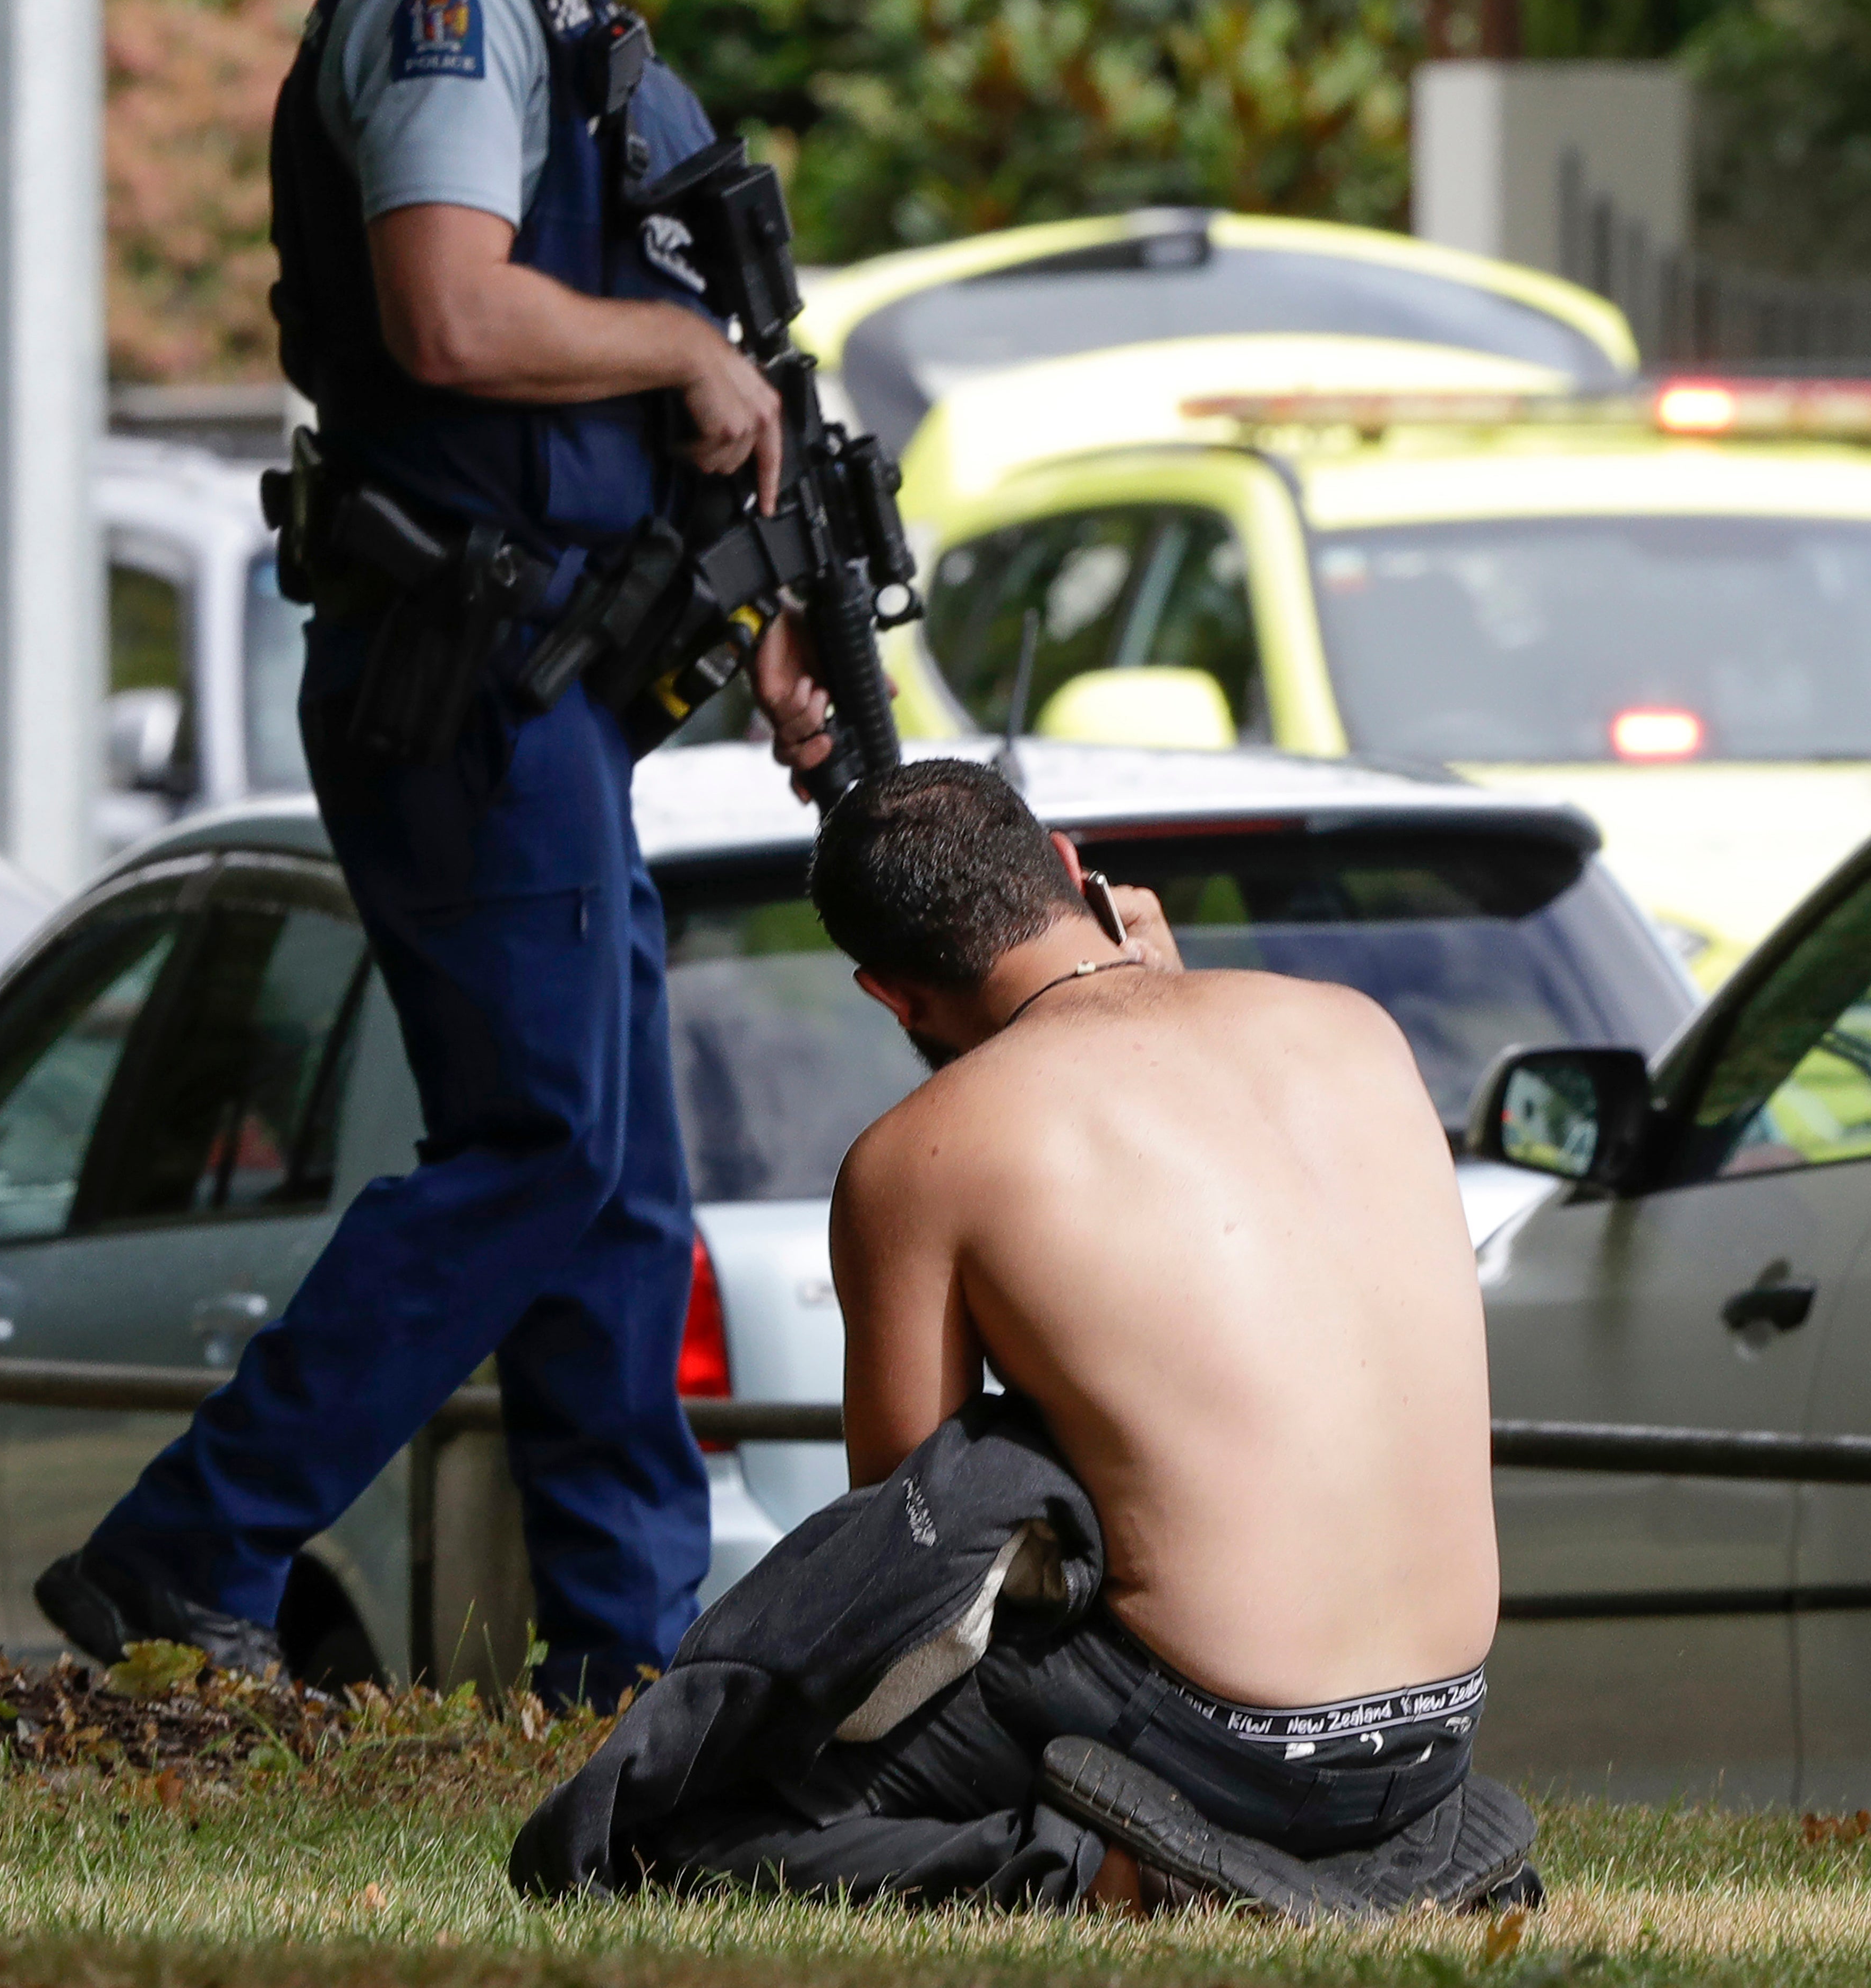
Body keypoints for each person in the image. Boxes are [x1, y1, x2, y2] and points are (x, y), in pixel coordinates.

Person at [35, 0, 836, 1710]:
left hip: (543, 681)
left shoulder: (576, 27)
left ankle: (627, 1662)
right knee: (539, 1151)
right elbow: (451, 323)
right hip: (455, 679)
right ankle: (184, 1559)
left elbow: (618, 397)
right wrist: (677, 348)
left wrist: (759, 608)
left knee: (617, 1184)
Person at [515, 760, 1524, 1915]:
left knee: (664, 1838)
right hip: (1438, 1738)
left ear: (890, 996)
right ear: (1067, 870)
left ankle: (1108, 1876)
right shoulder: (1355, 1030)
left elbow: (911, 1542)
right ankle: (1359, 1861)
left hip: (1219, 1741)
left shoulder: (923, 1154)